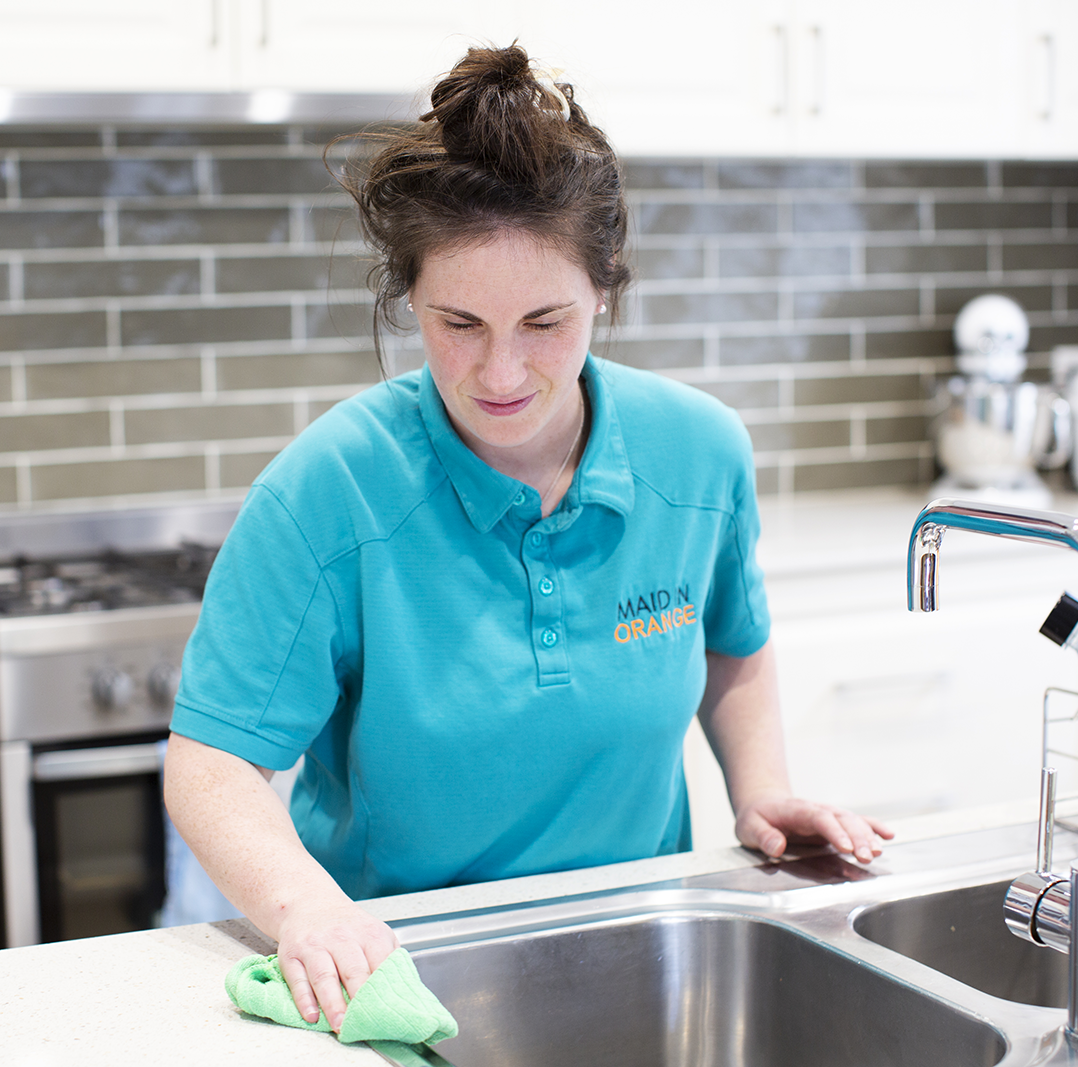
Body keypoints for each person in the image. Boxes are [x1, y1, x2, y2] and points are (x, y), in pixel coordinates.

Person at [163, 43, 891, 1034]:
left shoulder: (697, 453)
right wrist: (307, 907)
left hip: (648, 943)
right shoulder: (325, 492)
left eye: (542, 321)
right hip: (404, 965)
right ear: (408, 300)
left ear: (603, 290)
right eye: (457, 321)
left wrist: (761, 792)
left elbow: (730, 645)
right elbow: (212, 762)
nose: (500, 370)